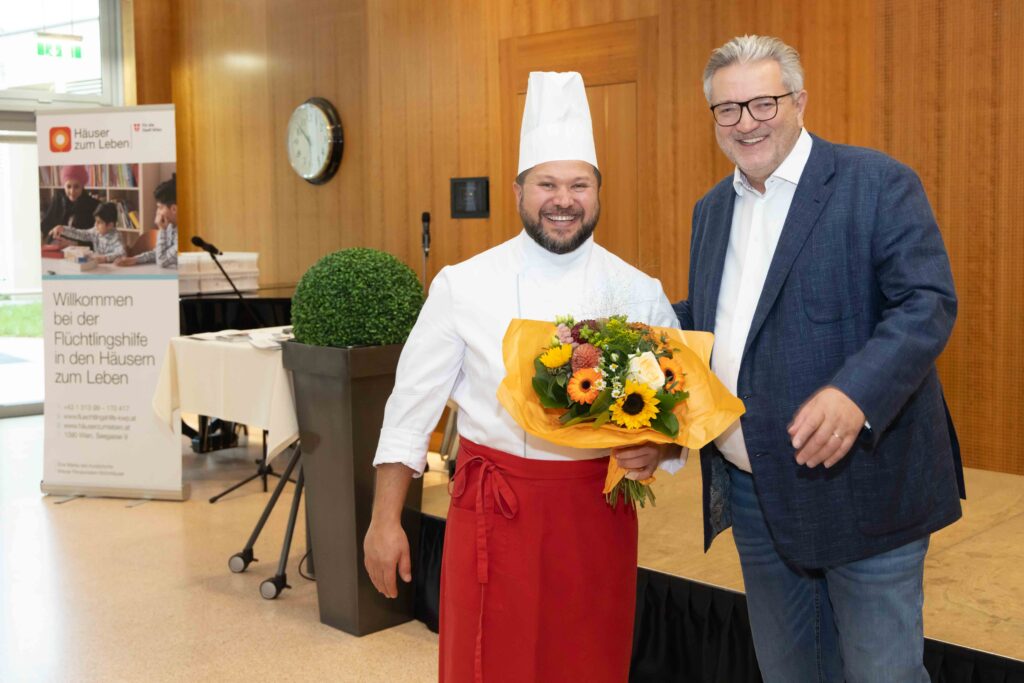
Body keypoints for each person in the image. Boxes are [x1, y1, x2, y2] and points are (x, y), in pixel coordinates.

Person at [364, 71, 682, 682]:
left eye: (578, 185)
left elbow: (676, 410)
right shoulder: (463, 284)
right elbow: (409, 412)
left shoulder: (637, 292)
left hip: (598, 517)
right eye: (547, 184)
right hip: (493, 515)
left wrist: (658, 445)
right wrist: (385, 523)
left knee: (588, 662)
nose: (563, 199)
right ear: (518, 192)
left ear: (598, 192)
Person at [673, 35, 965, 682]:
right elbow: (714, 320)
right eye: (728, 109)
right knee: (791, 670)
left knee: (880, 672)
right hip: (755, 494)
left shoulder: (877, 183)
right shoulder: (711, 210)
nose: (746, 122)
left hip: (865, 484)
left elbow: (926, 302)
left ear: (800, 101)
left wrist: (856, 392)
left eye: (763, 103)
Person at [116, 174, 178, 268]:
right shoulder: (171, 226)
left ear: (174, 209)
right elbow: (159, 253)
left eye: (160, 207)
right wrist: (135, 259)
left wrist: (161, 230)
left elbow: (162, 260)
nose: (157, 212)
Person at [47, 202, 126, 263]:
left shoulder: (116, 236)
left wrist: (105, 258)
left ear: (110, 225)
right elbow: (81, 234)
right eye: (95, 221)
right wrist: (63, 229)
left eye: (99, 222)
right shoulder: (96, 231)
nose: (95, 225)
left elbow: (122, 253)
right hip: (98, 268)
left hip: (112, 271)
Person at [40, 165, 100, 245]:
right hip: (57, 247)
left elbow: (96, 238)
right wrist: (52, 231)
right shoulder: (58, 199)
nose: (72, 191)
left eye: (76, 187)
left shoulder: (94, 205)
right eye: (68, 187)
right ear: (64, 186)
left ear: (82, 186)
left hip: (81, 251)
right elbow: (45, 225)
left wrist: (71, 243)